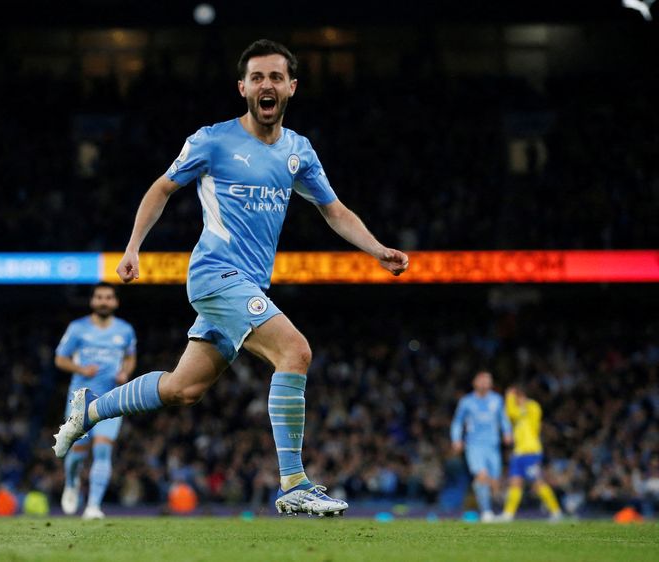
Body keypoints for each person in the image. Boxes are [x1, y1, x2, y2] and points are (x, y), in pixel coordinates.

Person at [52, 38, 409, 517]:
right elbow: (161, 188)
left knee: (184, 389)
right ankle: (293, 483)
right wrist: (133, 247)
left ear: (291, 87)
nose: (267, 85)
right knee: (295, 350)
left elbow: (334, 210)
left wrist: (377, 249)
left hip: (246, 287)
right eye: (257, 77)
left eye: (276, 77)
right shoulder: (212, 140)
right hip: (215, 276)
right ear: (242, 87)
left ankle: (89, 409)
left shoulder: (299, 151)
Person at [54, 282, 137, 520]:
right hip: (80, 401)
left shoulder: (125, 330)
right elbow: (60, 359)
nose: (104, 301)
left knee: (103, 449)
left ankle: (93, 507)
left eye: (108, 297)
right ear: (92, 301)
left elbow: (130, 358)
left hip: (112, 399)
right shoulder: (78, 328)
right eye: (99, 297)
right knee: (77, 451)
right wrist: (80, 368)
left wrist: (125, 373)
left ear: (115, 302)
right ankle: (71, 483)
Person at [450, 370, 512, 522]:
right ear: (475, 383)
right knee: (481, 476)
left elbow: (503, 418)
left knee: (493, 481)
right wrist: (456, 439)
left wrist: (507, 432)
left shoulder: (497, 400)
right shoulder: (466, 401)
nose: (485, 383)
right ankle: (486, 512)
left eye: (488, 380)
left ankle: (495, 505)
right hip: (474, 445)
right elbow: (457, 422)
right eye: (482, 380)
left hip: (493, 445)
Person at [499, 384, 562, 522]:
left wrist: (509, 396)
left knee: (537, 483)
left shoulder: (533, 406)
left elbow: (512, 412)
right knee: (515, 483)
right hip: (518, 453)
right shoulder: (517, 411)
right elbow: (509, 413)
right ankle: (508, 514)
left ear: (521, 396)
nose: (513, 402)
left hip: (531, 452)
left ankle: (556, 512)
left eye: (515, 398)